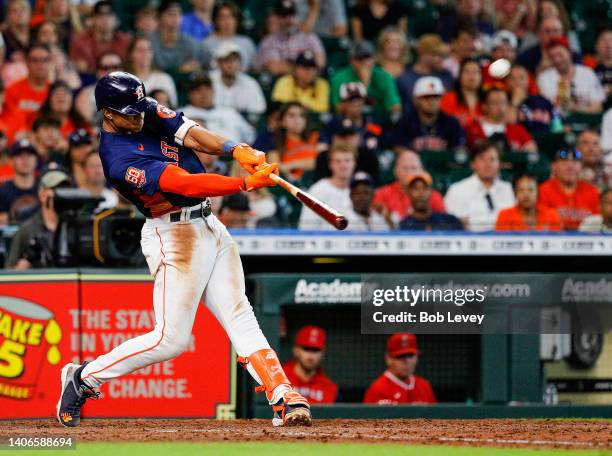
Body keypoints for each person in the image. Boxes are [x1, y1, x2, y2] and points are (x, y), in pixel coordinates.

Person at [56, 71, 312, 428]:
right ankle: (84, 377)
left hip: (209, 224)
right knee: (170, 339)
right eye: (129, 111)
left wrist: (236, 149)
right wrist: (242, 182)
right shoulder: (118, 159)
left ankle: (282, 394)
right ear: (108, 113)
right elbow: (185, 183)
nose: (139, 115)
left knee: (240, 314)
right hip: (173, 234)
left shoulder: (142, 107)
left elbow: (189, 132)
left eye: (139, 106)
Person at [5, 168, 72, 269]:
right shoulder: (26, 230)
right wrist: (25, 263)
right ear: (42, 195)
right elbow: (9, 274)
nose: (62, 194)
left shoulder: (74, 227)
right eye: (56, 189)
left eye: (66, 189)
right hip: (38, 283)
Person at [444, 142, 515, 231]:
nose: (488, 164)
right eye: (482, 159)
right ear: (473, 164)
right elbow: (455, 224)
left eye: (492, 159)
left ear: (499, 164)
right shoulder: (457, 190)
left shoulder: (508, 189)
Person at [391, 76, 466, 153]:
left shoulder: (452, 123)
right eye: (426, 97)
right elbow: (398, 149)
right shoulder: (404, 123)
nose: (431, 101)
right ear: (416, 100)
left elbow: (460, 151)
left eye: (435, 97)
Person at [373, 150, 446, 227]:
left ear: (422, 170)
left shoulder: (433, 195)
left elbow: (443, 222)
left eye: (414, 168)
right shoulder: (382, 194)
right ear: (395, 171)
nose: (409, 172)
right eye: (405, 168)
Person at [178, 74, 255, 145]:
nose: (204, 94)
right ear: (190, 94)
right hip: (202, 158)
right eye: (198, 90)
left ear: (213, 92)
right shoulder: (182, 114)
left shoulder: (229, 112)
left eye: (207, 89)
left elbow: (250, 136)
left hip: (235, 156)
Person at [330, 40, 401, 116]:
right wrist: (364, 85)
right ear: (351, 60)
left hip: (378, 119)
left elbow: (395, 107)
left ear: (374, 59)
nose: (364, 62)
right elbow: (337, 108)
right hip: (349, 120)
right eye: (360, 58)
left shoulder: (384, 77)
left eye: (368, 58)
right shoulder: (339, 77)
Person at [537, 36, 604, 115]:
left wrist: (575, 108)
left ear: (570, 53)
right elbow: (546, 111)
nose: (557, 60)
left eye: (560, 55)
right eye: (552, 57)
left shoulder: (587, 73)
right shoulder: (544, 78)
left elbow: (598, 108)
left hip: (589, 123)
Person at [256, 0, 326, 76]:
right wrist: (305, 67)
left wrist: (287, 65)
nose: (287, 19)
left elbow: (320, 63)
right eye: (283, 15)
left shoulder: (309, 37)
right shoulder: (269, 41)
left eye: (290, 14)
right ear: (276, 17)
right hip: (282, 84)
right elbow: (275, 68)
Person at [363, 333, 437, 405]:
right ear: (388, 358)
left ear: (417, 357)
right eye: (400, 356)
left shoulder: (424, 386)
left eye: (410, 355)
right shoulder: (377, 389)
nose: (406, 361)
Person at [539, 148, 600, 230]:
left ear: (581, 166)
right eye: (564, 162)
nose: (570, 166)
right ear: (554, 166)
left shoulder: (592, 191)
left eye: (575, 162)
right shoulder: (543, 191)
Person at [298, 145, 355, 230]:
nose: (343, 165)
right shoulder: (318, 190)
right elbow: (306, 226)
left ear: (354, 163)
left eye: (347, 160)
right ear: (331, 165)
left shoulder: (360, 189)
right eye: (338, 161)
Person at [396, 34, 454, 114]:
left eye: (441, 55)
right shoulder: (404, 79)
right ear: (422, 54)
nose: (439, 59)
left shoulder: (446, 76)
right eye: (434, 55)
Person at [466, 88, 537, 152]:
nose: (500, 107)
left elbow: (532, 149)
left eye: (503, 102)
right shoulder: (473, 129)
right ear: (484, 106)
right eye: (494, 103)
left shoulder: (517, 129)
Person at [68, 1, 131, 74]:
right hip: (90, 81)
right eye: (100, 16)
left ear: (115, 19)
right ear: (92, 19)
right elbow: (77, 68)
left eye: (109, 15)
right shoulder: (79, 41)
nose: (105, 19)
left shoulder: (126, 41)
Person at [266, 102, 324, 182]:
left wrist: (291, 165)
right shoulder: (275, 142)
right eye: (292, 115)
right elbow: (275, 168)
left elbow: (323, 162)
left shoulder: (316, 137)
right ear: (282, 121)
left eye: (302, 116)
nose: (298, 120)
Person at [282, 325, 338, 404]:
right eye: (306, 348)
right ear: (296, 350)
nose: (311, 355)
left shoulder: (329, 387)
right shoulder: (279, 378)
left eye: (315, 350)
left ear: (323, 353)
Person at [150, 0, 208, 74]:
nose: (175, 17)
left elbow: (208, 60)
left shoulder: (190, 43)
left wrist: (198, 66)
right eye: (171, 14)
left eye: (178, 14)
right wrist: (179, 70)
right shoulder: (149, 42)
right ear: (159, 17)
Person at [211, 42, 266, 115]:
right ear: (218, 63)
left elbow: (259, 109)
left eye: (234, 60)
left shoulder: (250, 83)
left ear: (240, 62)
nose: (230, 65)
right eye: (226, 60)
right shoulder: (209, 80)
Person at [3, 44, 51, 128]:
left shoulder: (55, 92)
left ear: (50, 63)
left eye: (44, 60)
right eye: (35, 60)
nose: (40, 64)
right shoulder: (11, 91)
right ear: (27, 62)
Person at [125, 36, 178, 108]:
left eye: (148, 50)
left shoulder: (165, 79)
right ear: (131, 54)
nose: (145, 54)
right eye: (140, 50)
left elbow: (173, 108)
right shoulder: (124, 80)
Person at [495, 173, 561, 231]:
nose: (526, 194)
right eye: (521, 190)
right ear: (515, 193)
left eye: (530, 190)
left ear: (537, 192)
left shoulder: (552, 215)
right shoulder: (505, 216)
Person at [202, 1, 257, 71]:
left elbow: (254, 69)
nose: (227, 22)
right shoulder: (207, 44)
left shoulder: (247, 43)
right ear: (215, 21)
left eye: (231, 17)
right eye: (223, 17)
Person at [399, 172, 463, 231]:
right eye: (415, 188)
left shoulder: (450, 221)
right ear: (408, 192)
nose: (421, 193)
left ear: (431, 191)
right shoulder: (403, 226)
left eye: (425, 188)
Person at [516, 17, 580, 75]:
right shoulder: (526, 57)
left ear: (562, 33)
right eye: (547, 31)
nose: (552, 35)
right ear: (539, 34)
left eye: (556, 31)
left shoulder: (574, 56)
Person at [506, 64, 558, 134]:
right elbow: (509, 124)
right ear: (507, 81)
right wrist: (515, 102)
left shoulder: (541, 100)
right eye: (512, 78)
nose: (517, 81)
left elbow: (558, 125)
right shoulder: (502, 100)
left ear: (528, 79)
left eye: (521, 78)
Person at [75, 51, 123, 124]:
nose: (111, 71)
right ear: (98, 72)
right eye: (105, 68)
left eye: (115, 67)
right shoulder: (86, 94)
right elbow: (89, 124)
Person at [0, 140, 39, 225]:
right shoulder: (3, 191)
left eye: (29, 155)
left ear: (36, 160)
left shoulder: (44, 189)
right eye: (19, 156)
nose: (25, 160)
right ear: (11, 161)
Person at [440, 58, 483, 128]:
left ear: (481, 76)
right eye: (467, 72)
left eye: (475, 72)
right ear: (460, 75)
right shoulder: (448, 98)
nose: (471, 76)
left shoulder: (487, 100)